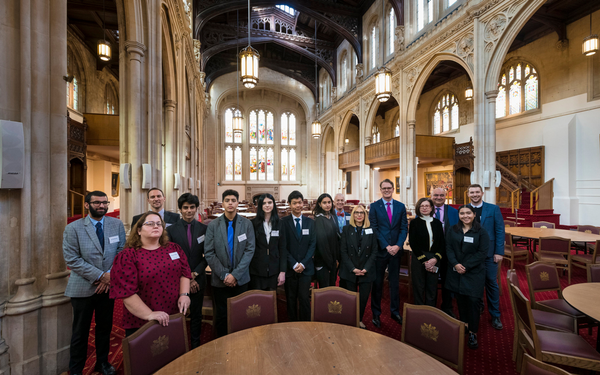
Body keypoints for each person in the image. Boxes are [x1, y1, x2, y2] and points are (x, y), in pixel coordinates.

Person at [63, 191, 126, 375]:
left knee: (104, 328)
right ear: (87, 205)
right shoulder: (73, 228)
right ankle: (76, 369)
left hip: (108, 287)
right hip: (83, 287)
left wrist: (109, 276)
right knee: (80, 332)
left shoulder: (116, 224)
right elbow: (72, 260)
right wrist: (101, 276)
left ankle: (103, 362)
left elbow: (121, 253)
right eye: (97, 202)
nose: (102, 206)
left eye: (105, 203)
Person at [110, 211, 192, 338]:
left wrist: (184, 294)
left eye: (159, 224)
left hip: (173, 312)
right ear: (138, 230)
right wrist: (149, 314)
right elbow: (126, 292)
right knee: (147, 355)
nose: (156, 226)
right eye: (150, 223)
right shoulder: (128, 256)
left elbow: (184, 273)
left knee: (174, 351)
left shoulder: (174, 248)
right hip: (142, 318)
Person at [204, 189, 255, 337]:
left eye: (233, 200)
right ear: (223, 203)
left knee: (241, 315)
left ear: (238, 203)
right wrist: (225, 274)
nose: (230, 203)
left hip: (241, 279)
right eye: (227, 200)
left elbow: (249, 250)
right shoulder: (213, 225)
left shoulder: (246, 224)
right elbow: (209, 252)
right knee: (221, 317)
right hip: (221, 280)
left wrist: (236, 275)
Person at [445, 205, 490, 349]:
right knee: (460, 300)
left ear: (474, 214)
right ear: (459, 215)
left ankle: (473, 332)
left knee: (473, 302)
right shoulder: (453, 230)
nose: (465, 216)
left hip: (473, 273)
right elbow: (449, 248)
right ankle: (464, 325)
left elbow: (482, 253)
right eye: (462, 213)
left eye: (468, 213)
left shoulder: (481, 232)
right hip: (456, 271)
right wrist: (456, 264)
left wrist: (465, 266)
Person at [166, 193, 207, 349]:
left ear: (196, 209)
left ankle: (195, 344)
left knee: (197, 314)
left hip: (198, 278)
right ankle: (177, 345)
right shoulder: (171, 230)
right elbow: (171, 258)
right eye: (185, 208)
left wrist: (195, 275)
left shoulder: (204, 229)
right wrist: (187, 278)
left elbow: (207, 255)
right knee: (177, 314)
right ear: (180, 209)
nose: (189, 211)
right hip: (178, 280)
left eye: (192, 207)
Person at [369, 179, 408, 328]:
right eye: (384, 188)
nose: (386, 190)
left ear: (393, 189)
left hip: (396, 252)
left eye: (389, 188)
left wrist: (398, 245)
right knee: (377, 283)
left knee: (394, 283)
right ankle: (376, 313)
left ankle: (395, 311)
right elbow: (374, 228)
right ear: (381, 189)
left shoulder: (400, 206)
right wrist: (386, 246)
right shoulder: (374, 206)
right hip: (381, 251)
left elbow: (404, 228)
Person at [467, 184, 505, 330]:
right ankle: (478, 307)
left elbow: (500, 230)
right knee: (474, 283)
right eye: (472, 192)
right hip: (471, 254)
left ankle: (495, 315)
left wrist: (499, 252)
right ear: (468, 194)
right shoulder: (464, 209)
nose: (475, 194)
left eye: (477, 192)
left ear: (482, 193)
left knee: (491, 282)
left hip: (490, 254)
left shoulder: (493, 208)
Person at [280, 190, 316, 321]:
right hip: (290, 268)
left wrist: (303, 263)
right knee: (290, 298)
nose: (297, 206)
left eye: (300, 202)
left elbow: (313, 244)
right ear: (289, 204)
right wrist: (294, 263)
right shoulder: (283, 222)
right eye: (294, 203)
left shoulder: (310, 222)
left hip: (306, 268)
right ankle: (292, 324)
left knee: (304, 298)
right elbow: (283, 246)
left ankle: (306, 324)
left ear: (303, 203)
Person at [339, 205, 377, 328]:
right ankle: (350, 319)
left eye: (361, 213)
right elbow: (343, 252)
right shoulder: (346, 229)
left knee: (363, 298)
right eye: (356, 213)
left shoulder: (371, 230)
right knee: (351, 297)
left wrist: (366, 268)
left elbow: (374, 251)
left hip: (366, 269)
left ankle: (359, 319)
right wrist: (352, 268)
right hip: (351, 269)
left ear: (365, 215)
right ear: (353, 215)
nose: (359, 215)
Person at [409, 197, 445, 307]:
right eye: (422, 206)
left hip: (434, 258)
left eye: (427, 206)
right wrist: (425, 261)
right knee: (419, 286)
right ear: (418, 208)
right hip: (419, 258)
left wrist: (435, 259)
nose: (424, 208)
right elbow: (413, 243)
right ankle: (419, 309)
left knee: (432, 286)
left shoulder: (438, 223)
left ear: (431, 208)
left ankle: (430, 310)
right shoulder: (414, 223)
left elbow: (442, 243)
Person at [430, 188, 459, 317]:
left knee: (448, 280)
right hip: (431, 253)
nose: (439, 197)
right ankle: (430, 306)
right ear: (431, 196)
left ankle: (447, 306)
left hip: (448, 252)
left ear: (445, 196)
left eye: (442, 195)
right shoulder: (425, 209)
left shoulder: (454, 212)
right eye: (436, 195)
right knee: (432, 280)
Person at [249, 193, 286, 291]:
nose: (267, 205)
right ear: (260, 206)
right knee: (258, 301)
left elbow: (283, 248)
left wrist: (283, 271)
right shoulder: (252, 224)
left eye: (270, 202)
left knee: (272, 301)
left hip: (274, 269)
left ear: (273, 204)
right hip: (257, 269)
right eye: (264, 203)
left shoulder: (280, 223)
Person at [313, 193, 340, 288]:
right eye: (324, 203)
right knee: (325, 289)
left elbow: (335, 239)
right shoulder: (319, 219)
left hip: (332, 260)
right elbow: (322, 243)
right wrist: (329, 263)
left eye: (329, 202)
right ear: (319, 204)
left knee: (332, 286)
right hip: (323, 260)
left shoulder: (332, 216)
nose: (327, 205)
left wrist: (336, 259)